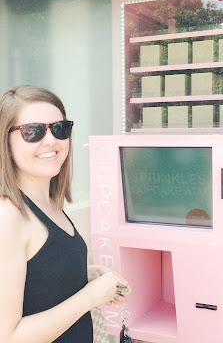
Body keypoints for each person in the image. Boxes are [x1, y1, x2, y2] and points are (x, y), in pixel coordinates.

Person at [0, 85, 130, 343]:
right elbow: (8, 336)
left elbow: (36, 281)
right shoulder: (8, 216)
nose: (51, 141)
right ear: (6, 141)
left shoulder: (48, 203)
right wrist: (90, 297)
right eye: (33, 132)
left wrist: (84, 275)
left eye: (59, 129)